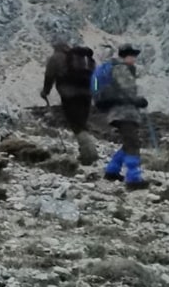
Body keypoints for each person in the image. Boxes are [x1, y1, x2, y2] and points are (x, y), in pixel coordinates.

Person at [97, 45, 149, 189]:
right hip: (123, 113)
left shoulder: (119, 68)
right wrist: (139, 100)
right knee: (133, 143)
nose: (134, 59)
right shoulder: (121, 69)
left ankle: (112, 171)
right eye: (132, 56)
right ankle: (134, 179)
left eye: (134, 56)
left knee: (129, 143)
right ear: (125, 56)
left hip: (122, 112)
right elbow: (126, 91)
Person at [42, 41, 98, 164]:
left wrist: (45, 91)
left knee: (76, 125)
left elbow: (49, 76)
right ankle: (87, 152)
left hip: (69, 95)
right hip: (87, 94)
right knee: (83, 123)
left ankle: (90, 154)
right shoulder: (84, 60)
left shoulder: (56, 58)